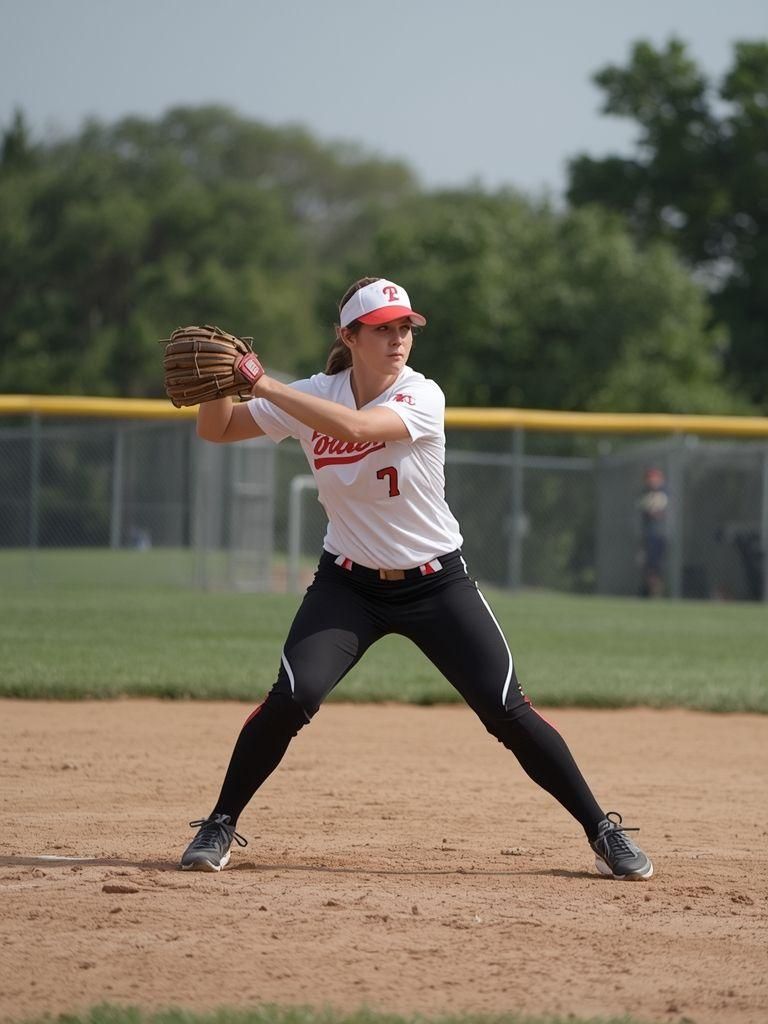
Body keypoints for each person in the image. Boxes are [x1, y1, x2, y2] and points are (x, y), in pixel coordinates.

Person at [180, 276, 654, 881]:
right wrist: (218, 386)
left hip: (437, 585)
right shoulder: (313, 394)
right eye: (382, 329)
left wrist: (261, 383)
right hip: (348, 586)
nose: (399, 338)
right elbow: (217, 430)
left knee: (507, 710)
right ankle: (219, 823)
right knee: (293, 697)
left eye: (405, 327)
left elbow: (354, 430)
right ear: (348, 337)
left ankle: (602, 830)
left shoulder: (421, 395)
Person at [638, 467, 669, 598]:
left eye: (655, 479)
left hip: (659, 536)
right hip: (648, 536)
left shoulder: (663, 494)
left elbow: (659, 512)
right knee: (647, 566)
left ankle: (656, 592)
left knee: (655, 566)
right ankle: (650, 591)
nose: (652, 482)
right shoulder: (645, 494)